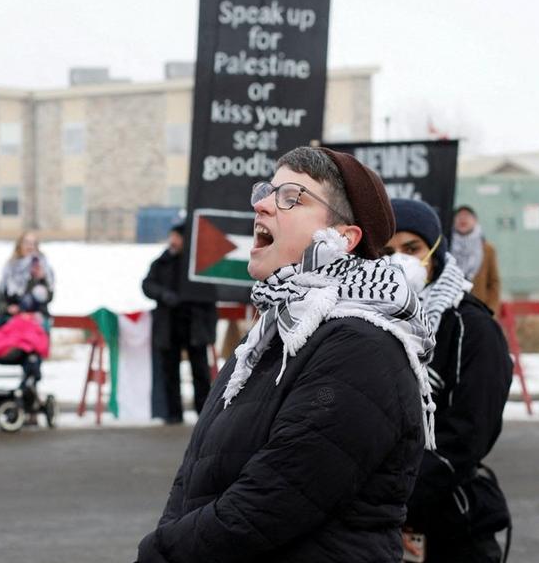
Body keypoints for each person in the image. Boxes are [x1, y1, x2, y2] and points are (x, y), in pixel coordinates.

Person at [136, 146, 435, 562]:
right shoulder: (275, 332)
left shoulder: (362, 346)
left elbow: (275, 497)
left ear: (344, 239)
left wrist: (161, 553)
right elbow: (196, 476)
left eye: (292, 197)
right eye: (266, 191)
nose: (260, 205)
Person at [388, 199, 513, 562]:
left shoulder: (471, 328)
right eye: (387, 251)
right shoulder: (365, 322)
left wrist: (397, 506)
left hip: (449, 528)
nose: (399, 261)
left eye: (411, 249)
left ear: (435, 253)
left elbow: (468, 435)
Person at [141, 219, 217, 424]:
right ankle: (173, 413)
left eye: (177, 237)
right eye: (171, 236)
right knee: (170, 370)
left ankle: (203, 411)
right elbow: (147, 285)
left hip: (194, 325)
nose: (172, 241)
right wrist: (164, 295)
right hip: (169, 325)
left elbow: (212, 289)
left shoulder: (199, 262)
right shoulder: (162, 262)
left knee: (200, 370)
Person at [451, 205, 502, 313]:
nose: (463, 219)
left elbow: (494, 282)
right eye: (459, 216)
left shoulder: (487, 249)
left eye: (467, 216)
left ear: (475, 221)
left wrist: (491, 310)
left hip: (479, 308)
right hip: (451, 308)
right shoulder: (446, 247)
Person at [0, 231, 55, 324]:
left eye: (33, 243)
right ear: (19, 245)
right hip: (12, 318)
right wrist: (7, 309)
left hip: (36, 319)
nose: (30, 246)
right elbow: (0, 297)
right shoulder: (10, 267)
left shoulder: (43, 266)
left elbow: (48, 297)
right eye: (27, 243)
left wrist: (42, 279)